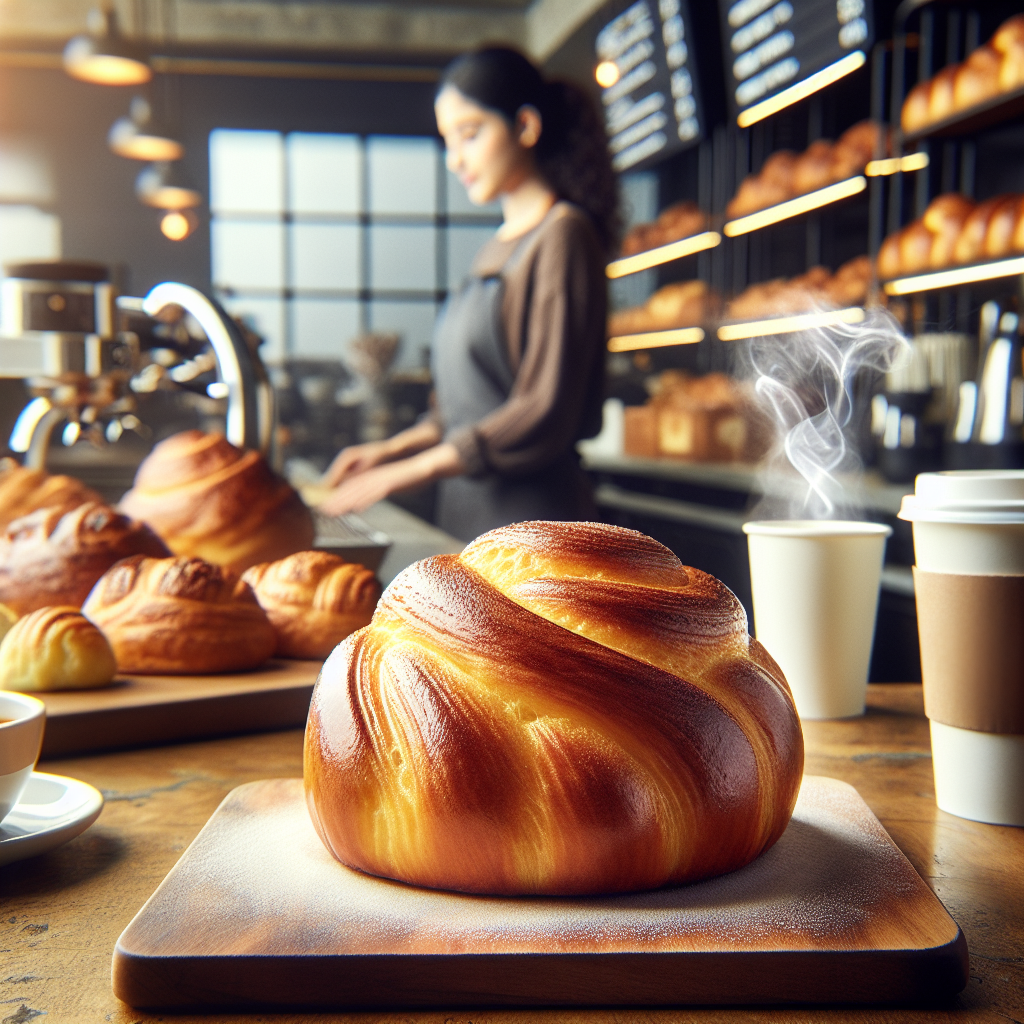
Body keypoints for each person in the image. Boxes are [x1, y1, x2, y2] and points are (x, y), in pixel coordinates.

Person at [319, 46, 618, 541]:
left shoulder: (562, 236)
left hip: (535, 528)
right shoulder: (492, 251)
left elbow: (543, 409)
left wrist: (408, 472)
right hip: (468, 515)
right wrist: (391, 451)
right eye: (447, 141)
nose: (455, 158)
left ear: (525, 126)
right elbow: (462, 412)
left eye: (471, 133)